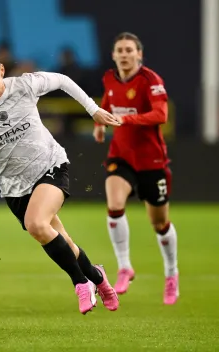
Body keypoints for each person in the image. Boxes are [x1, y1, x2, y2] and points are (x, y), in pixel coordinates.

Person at [0, 38, 121, 314]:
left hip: (50, 166)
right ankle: (98, 277)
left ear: (1, 70)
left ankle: (81, 283)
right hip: (13, 187)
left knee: (37, 224)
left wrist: (93, 110)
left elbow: (63, 80)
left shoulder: (25, 85)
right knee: (61, 239)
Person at [93, 32, 179, 305]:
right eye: (120, 49)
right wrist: (100, 123)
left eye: (130, 49)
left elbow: (160, 115)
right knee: (115, 204)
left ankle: (171, 273)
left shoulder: (151, 81)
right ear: (113, 55)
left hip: (152, 162)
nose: (125, 54)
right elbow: (108, 103)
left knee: (160, 223)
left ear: (139, 54)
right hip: (121, 156)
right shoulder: (110, 78)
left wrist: (125, 119)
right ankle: (124, 266)